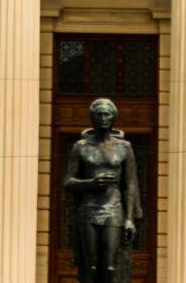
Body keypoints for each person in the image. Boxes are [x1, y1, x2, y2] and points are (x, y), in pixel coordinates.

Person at [64, 98, 142, 283]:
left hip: (113, 209)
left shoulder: (124, 147)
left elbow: (130, 184)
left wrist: (129, 218)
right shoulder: (81, 147)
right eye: (98, 114)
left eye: (107, 114)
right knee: (89, 267)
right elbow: (68, 182)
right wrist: (91, 182)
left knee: (110, 267)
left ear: (113, 117)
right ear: (92, 117)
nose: (103, 118)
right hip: (88, 210)